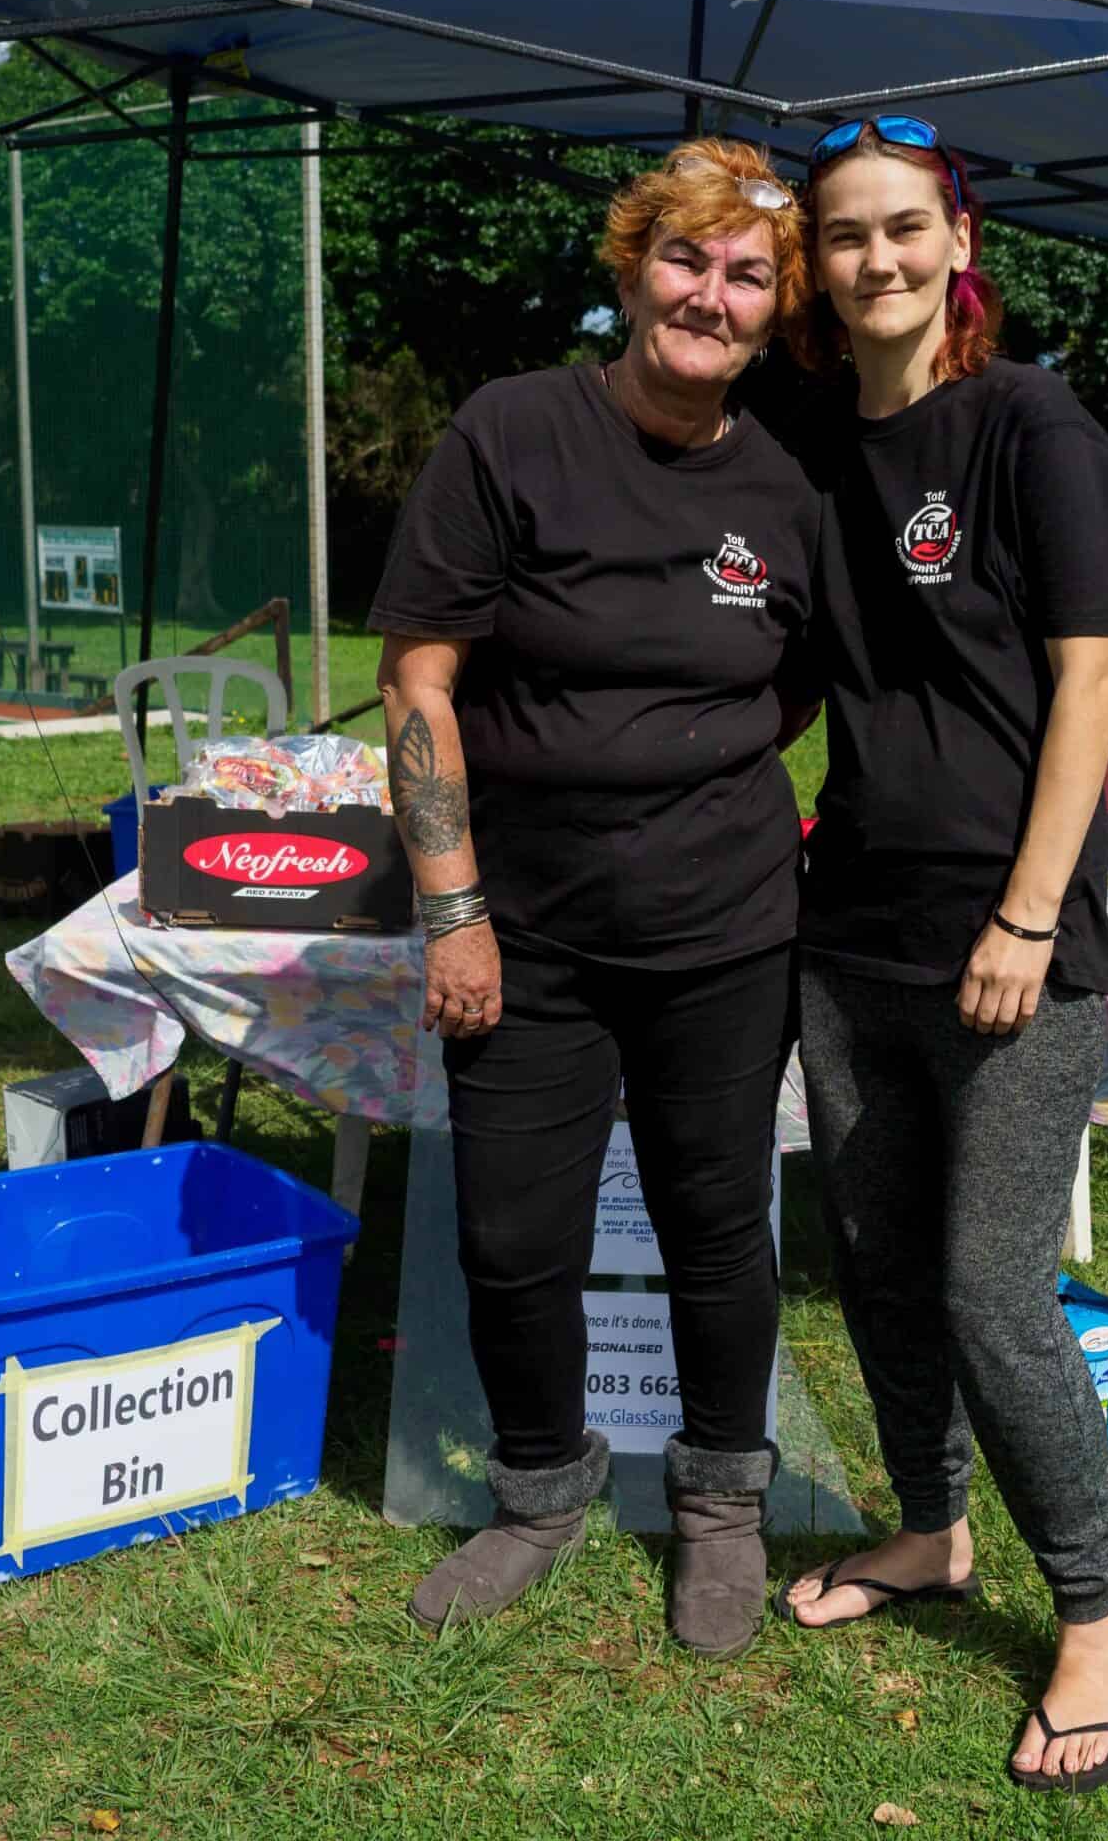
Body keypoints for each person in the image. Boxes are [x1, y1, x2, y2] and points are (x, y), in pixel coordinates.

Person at [368, 139, 820, 1658]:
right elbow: (421, 678)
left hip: (727, 933)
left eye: (746, 274)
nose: (710, 293)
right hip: (528, 934)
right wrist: (454, 910)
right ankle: (542, 1498)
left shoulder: (789, 489)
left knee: (717, 1230)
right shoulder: (512, 433)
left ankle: (720, 1509)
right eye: (684, 260)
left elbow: (793, 693)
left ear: (776, 310)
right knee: (513, 1238)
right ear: (630, 269)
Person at [769, 114, 1108, 1795]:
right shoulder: (809, 445)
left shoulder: (1030, 425)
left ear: (959, 241)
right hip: (846, 928)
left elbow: (1089, 684)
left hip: (1008, 943)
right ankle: (930, 1532)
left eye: (905, 228)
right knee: (878, 1259)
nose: (879, 261)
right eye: (846, 235)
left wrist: (1023, 912)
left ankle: (1100, 1623)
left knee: (994, 1284)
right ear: (817, 267)